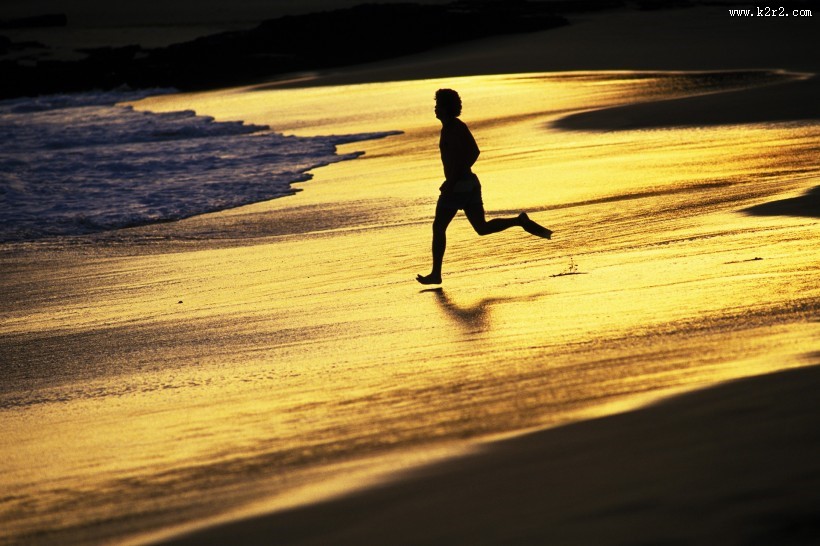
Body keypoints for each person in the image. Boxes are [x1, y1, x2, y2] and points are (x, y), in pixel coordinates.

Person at [416, 88, 553, 285]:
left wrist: (453, 181)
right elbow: (472, 153)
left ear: (446, 108)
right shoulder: (452, 127)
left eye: (438, 106)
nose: (435, 109)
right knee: (481, 228)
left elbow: (474, 152)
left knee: (439, 227)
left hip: (457, 188)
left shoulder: (454, 128)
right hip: (470, 185)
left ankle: (436, 274)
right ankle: (518, 221)